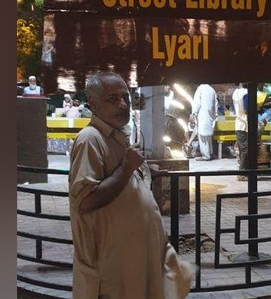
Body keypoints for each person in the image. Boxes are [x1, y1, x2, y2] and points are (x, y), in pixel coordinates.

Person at [68, 72, 195, 299]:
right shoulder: (90, 139)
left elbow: (121, 179)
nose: (123, 104)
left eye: (125, 97)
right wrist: (127, 168)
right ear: (93, 104)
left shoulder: (116, 134)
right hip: (114, 268)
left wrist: (143, 170)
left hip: (136, 259)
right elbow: (86, 200)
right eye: (112, 99)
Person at [190, 84, 218, 161]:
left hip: (202, 115)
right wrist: (215, 115)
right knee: (208, 136)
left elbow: (197, 103)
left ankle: (206, 156)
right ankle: (210, 153)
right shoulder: (212, 90)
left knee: (202, 137)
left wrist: (194, 113)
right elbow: (215, 103)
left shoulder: (200, 89)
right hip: (210, 116)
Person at [231, 84, 249, 181]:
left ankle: (244, 172)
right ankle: (241, 173)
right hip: (244, 124)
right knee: (245, 150)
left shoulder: (235, 92)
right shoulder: (246, 93)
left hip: (238, 123)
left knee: (243, 150)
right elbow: (246, 110)